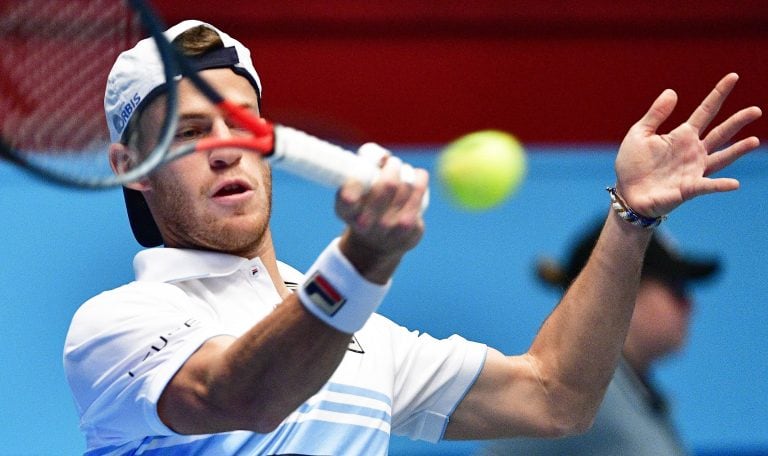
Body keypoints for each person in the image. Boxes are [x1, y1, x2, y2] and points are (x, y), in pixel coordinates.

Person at [63, 20, 761, 455]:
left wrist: (630, 218)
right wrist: (362, 261)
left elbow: (555, 398)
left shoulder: (361, 335)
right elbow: (241, 395)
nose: (224, 149)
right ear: (132, 169)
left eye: (241, 124)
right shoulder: (118, 324)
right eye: (188, 134)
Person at [481, 221, 721, 456]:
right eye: (676, 288)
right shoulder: (578, 390)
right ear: (621, 292)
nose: (690, 305)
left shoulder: (623, 391)